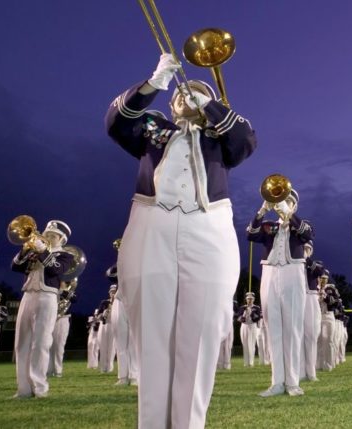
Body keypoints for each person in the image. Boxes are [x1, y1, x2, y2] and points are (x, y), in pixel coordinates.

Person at [106, 52, 256, 427]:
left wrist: (210, 105)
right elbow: (115, 124)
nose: (186, 96)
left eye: (196, 94)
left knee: (202, 332)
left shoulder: (220, 137)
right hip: (151, 223)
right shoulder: (154, 128)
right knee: (152, 336)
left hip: (209, 228)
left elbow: (246, 142)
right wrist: (156, 80)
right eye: (181, 94)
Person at [247, 189, 313, 397]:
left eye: (287, 201)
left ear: (294, 204)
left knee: (292, 329)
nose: (282, 203)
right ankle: (277, 382)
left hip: (292, 271)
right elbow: (251, 234)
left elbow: (307, 235)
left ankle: (293, 382)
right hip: (269, 272)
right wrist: (262, 210)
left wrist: (289, 214)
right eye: (280, 201)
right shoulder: (270, 226)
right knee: (272, 329)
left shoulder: (301, 224)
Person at [12, 220, 74, 398]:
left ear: (61, 239)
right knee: (21, 343)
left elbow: (57, 270)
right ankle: (23, 389)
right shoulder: (34, 250)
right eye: (47, 234)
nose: (48, 237)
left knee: (41, 343)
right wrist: (25, 250)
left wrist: (42, 251)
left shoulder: (66, 255)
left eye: (53, 235)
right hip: (28, 295)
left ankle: (40, 387)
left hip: (47, 297)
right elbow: (15, 267)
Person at [302, 243, 324, 380]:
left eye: (306, 249)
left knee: (310, 335)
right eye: (301, 248)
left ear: (311, 251)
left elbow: (319, 272)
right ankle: (297, 372)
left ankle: (310, 371)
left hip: (309, 297)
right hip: (295, 298)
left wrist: (306, 259)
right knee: (294, 336)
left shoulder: (316, 263)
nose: (304, 251)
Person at [48, 280, 76, 378]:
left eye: (62, 281)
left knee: (59, 346)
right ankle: (49, 370)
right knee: (48, 345)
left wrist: (65, 291)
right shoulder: (52, 291)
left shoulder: (68, 292)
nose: (60, 283)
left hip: (63, 319)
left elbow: (75, 299)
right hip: (50, 318)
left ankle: (58, 370)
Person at [236, 293, 262, 368]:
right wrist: (244, 315)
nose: (249, 300)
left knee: (251, 344)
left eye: (251, 299)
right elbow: (238, 319)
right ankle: (246, 362)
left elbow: (258, 318)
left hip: (252, 325)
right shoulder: (242, 308)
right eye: (248, 299)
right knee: (245, 344)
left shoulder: (256, 308)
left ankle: (251, 362)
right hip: (244, 326)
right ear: (246, 299)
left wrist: (252, 314)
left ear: (253, 299)